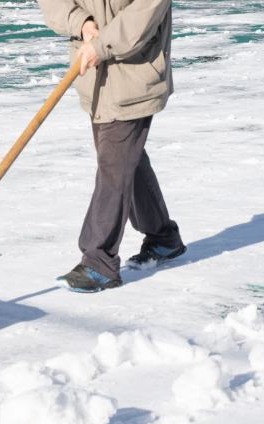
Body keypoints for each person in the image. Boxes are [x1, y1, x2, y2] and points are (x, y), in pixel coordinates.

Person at [38, 0, 187, 292]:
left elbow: (144, 12)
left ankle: (98, 263)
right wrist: (80, 22)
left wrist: (101, 44)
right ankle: (163, 238)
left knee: (114, 167)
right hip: (96, 78)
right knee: (123, 161)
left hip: (134, 75)